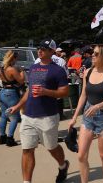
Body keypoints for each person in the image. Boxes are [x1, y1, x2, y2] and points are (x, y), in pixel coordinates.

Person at [9, 39, 70, 183]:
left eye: (44, 48)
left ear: (52, 51)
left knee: (52, 147)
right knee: (27, 149)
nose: (40, 50)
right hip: (29, 115)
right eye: (39, 48)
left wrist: (46, 92)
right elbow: (29, 90)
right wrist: (17, 106)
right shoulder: (34, 67)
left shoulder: (58, 70)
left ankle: (63, 165)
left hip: (47, 116)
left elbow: (65, 92)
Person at [68, 45, 103, 183]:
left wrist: (97, 106)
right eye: (92, 53)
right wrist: (74, 117)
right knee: (81, 155)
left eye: (96, 53)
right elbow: (83, 95)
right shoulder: (88, 72)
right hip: (88, 116)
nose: (92, 55)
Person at [0, 50, 25, 147]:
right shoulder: (12, 69)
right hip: (11, 94)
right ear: (13, 58)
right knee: (14, 117)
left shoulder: (1, 68)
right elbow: (21, 81)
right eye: (16, 58)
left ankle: (2, 137)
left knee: (4, 116)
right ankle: (10, 139)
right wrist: (22, 71)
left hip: (2, 92)